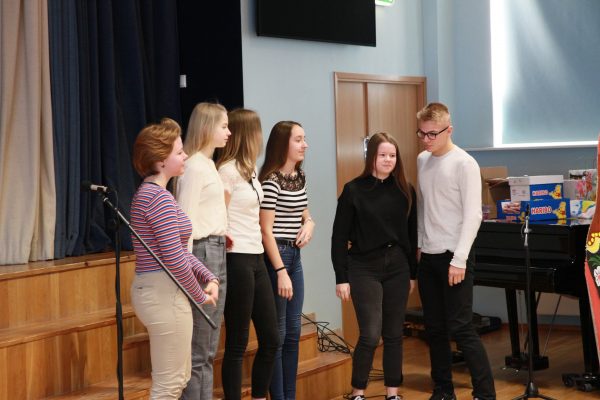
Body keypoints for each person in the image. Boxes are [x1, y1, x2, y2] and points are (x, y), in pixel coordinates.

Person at [129, 118, 219, 399]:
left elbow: (178, 251)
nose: (185, 156)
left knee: (177, 380)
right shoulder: (158, 198)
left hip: (160, 290)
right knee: (169, 385)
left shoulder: (154, 194)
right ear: (160, 160)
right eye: (179, 152)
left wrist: (209, 276)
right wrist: (199, 295)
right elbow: (174, 259)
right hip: (164, 293)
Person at [416, 102, 496, 400]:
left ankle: (485, 394)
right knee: (434, 329)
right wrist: (421, 244)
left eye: (432, 134)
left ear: (449, 130)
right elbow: (424, 207)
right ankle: (443, 390)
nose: (426, 140)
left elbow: (473, 215)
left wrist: (460, 259)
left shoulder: (465, 164)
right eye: (422, 133)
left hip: (456, 256)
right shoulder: (422, 160)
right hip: (429, 255)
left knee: (461, 328)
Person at [331, 132, 417, 400]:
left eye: (392, 155)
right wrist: (341, 277)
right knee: (370, 334)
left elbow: (412, 235)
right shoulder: (353, 190)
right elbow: (338, 237)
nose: (388, 160)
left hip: (398, 267)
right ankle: (358, 392)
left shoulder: (405, 190)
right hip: (363, 267)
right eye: (383, 155)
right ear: (371, 157)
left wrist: (412, 273)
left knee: (394, 333)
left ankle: (393, 393)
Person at [215, 108, 280, 400]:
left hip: (256, 257)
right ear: (248, 134)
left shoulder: (250, 169)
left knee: (271, 338)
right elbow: (218, 214)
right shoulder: (226, 171)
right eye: (257, 130)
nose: (260, 137)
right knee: (238, 342)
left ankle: (258, 396)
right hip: (237, 258)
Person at [176, 102, 230, 400]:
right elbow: (184, 220)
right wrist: (186, 269)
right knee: (199, 349)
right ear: (207, 127)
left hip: (216, 249)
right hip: (202, 253)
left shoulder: (208, 164)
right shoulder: (195, 166)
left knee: (208, 348)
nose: (228, 132)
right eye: (224, 126)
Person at [259, 121, 315, 400]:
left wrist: (310, 223)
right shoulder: (271, 181)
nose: (305, 144)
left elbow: (304, 211)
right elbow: (265, 230)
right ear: (283, 144)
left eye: (304, 139)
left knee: (293, 331)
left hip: (295, 256)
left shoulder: (298, 176)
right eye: (298, 139)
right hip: (278, 257)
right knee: (279, 335)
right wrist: (280, 270)